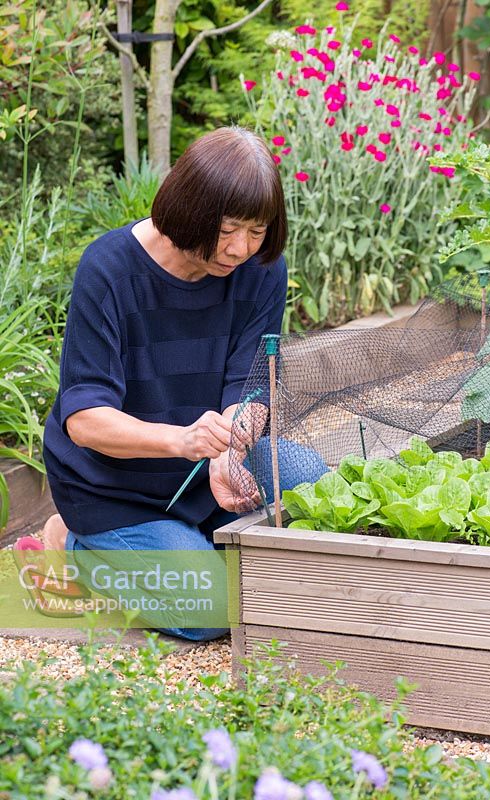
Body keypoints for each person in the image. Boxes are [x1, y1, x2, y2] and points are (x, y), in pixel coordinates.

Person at [36, 125, 308, 641]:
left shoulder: (262, 270)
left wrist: (230, 450)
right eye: (228, 229)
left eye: (256, 230)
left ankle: (187, 543)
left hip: (204, 473)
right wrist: (183, 442)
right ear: (191, 210)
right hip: (115, 489)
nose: (240, 248)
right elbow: (85, 420)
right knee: (211, 611)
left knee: (313, 481)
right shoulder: (109, 270)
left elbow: (248, 388)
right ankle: (73, 543)